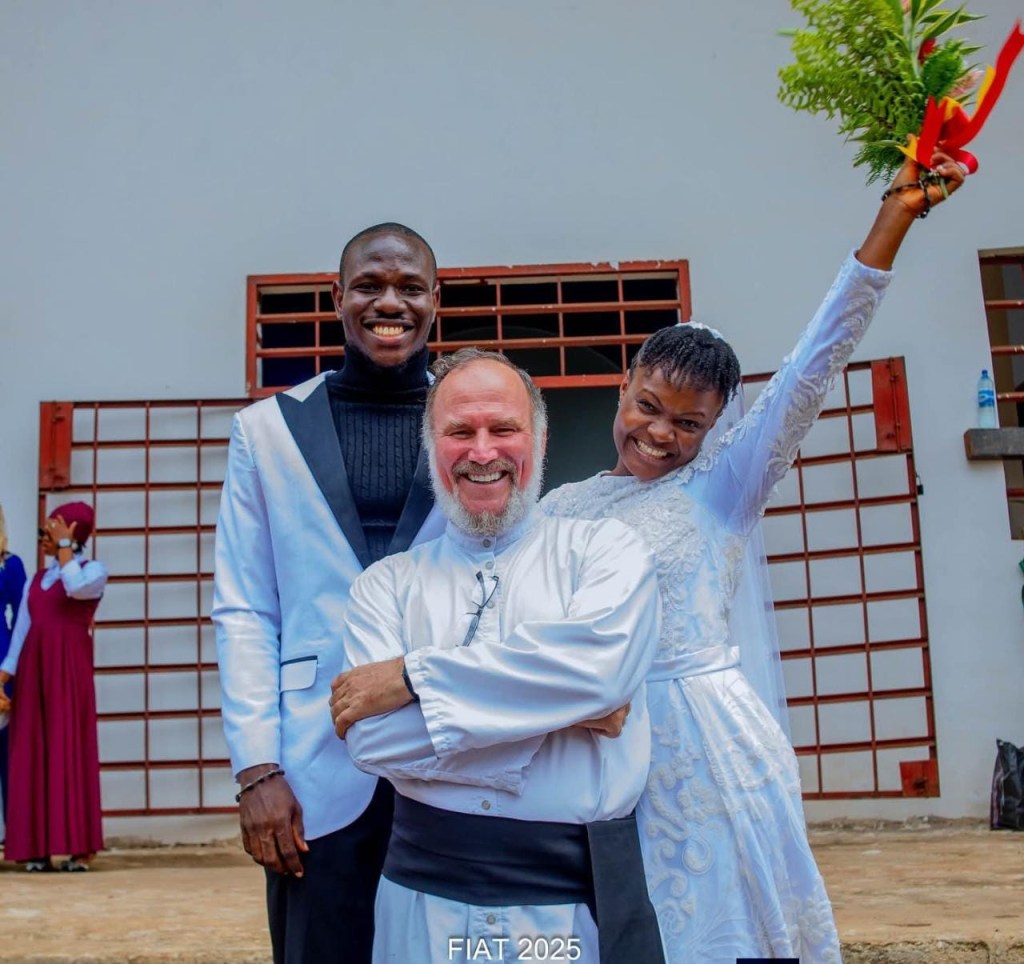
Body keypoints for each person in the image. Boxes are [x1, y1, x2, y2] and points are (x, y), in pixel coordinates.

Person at [540, 150, 967, 962]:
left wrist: (894, 217)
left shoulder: (721, 490)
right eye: (647, 406)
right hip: (593, 749)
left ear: (716, 429)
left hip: (707, 753)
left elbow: (815, 364)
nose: (659, 434)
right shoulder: (560, 509)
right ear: (623, 385)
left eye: (688, 424)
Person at [329, 349, 665, 964]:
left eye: (503, 429)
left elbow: (601, 674)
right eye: (460, 432)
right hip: (422, 901)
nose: (482, 452)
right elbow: (372, 741)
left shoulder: (608, 551)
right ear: (431, 446)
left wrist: (412, 677)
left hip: (569, 905)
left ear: (540, 438)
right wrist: (563, 708)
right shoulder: (384, 585)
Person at [212, 223, 447, 963]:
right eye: (370, 285)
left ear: (435, 299)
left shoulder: (474, 426)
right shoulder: (265, 433)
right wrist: (257, 769)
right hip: (313, 769)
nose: (390, 303)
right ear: (336, 297)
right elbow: (246, 609)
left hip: (450, 756)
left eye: (410, 287)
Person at [0, 502, 107, 872]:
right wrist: (5, 675)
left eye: (48, 532)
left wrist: (65, 547)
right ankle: (37, 848)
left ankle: (78, 847)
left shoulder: (93, 572)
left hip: (68, 672)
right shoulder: (37, 580)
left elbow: (75, 587)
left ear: (71, 532)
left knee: (69, 745)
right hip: (34, 670)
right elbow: (21, 632)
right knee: (33, 749)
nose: (42, 539)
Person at [0, 504, 27, 831]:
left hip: (2, 661)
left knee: (7, 750)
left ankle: (14, 831)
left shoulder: (11, 565)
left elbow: (24, 618)